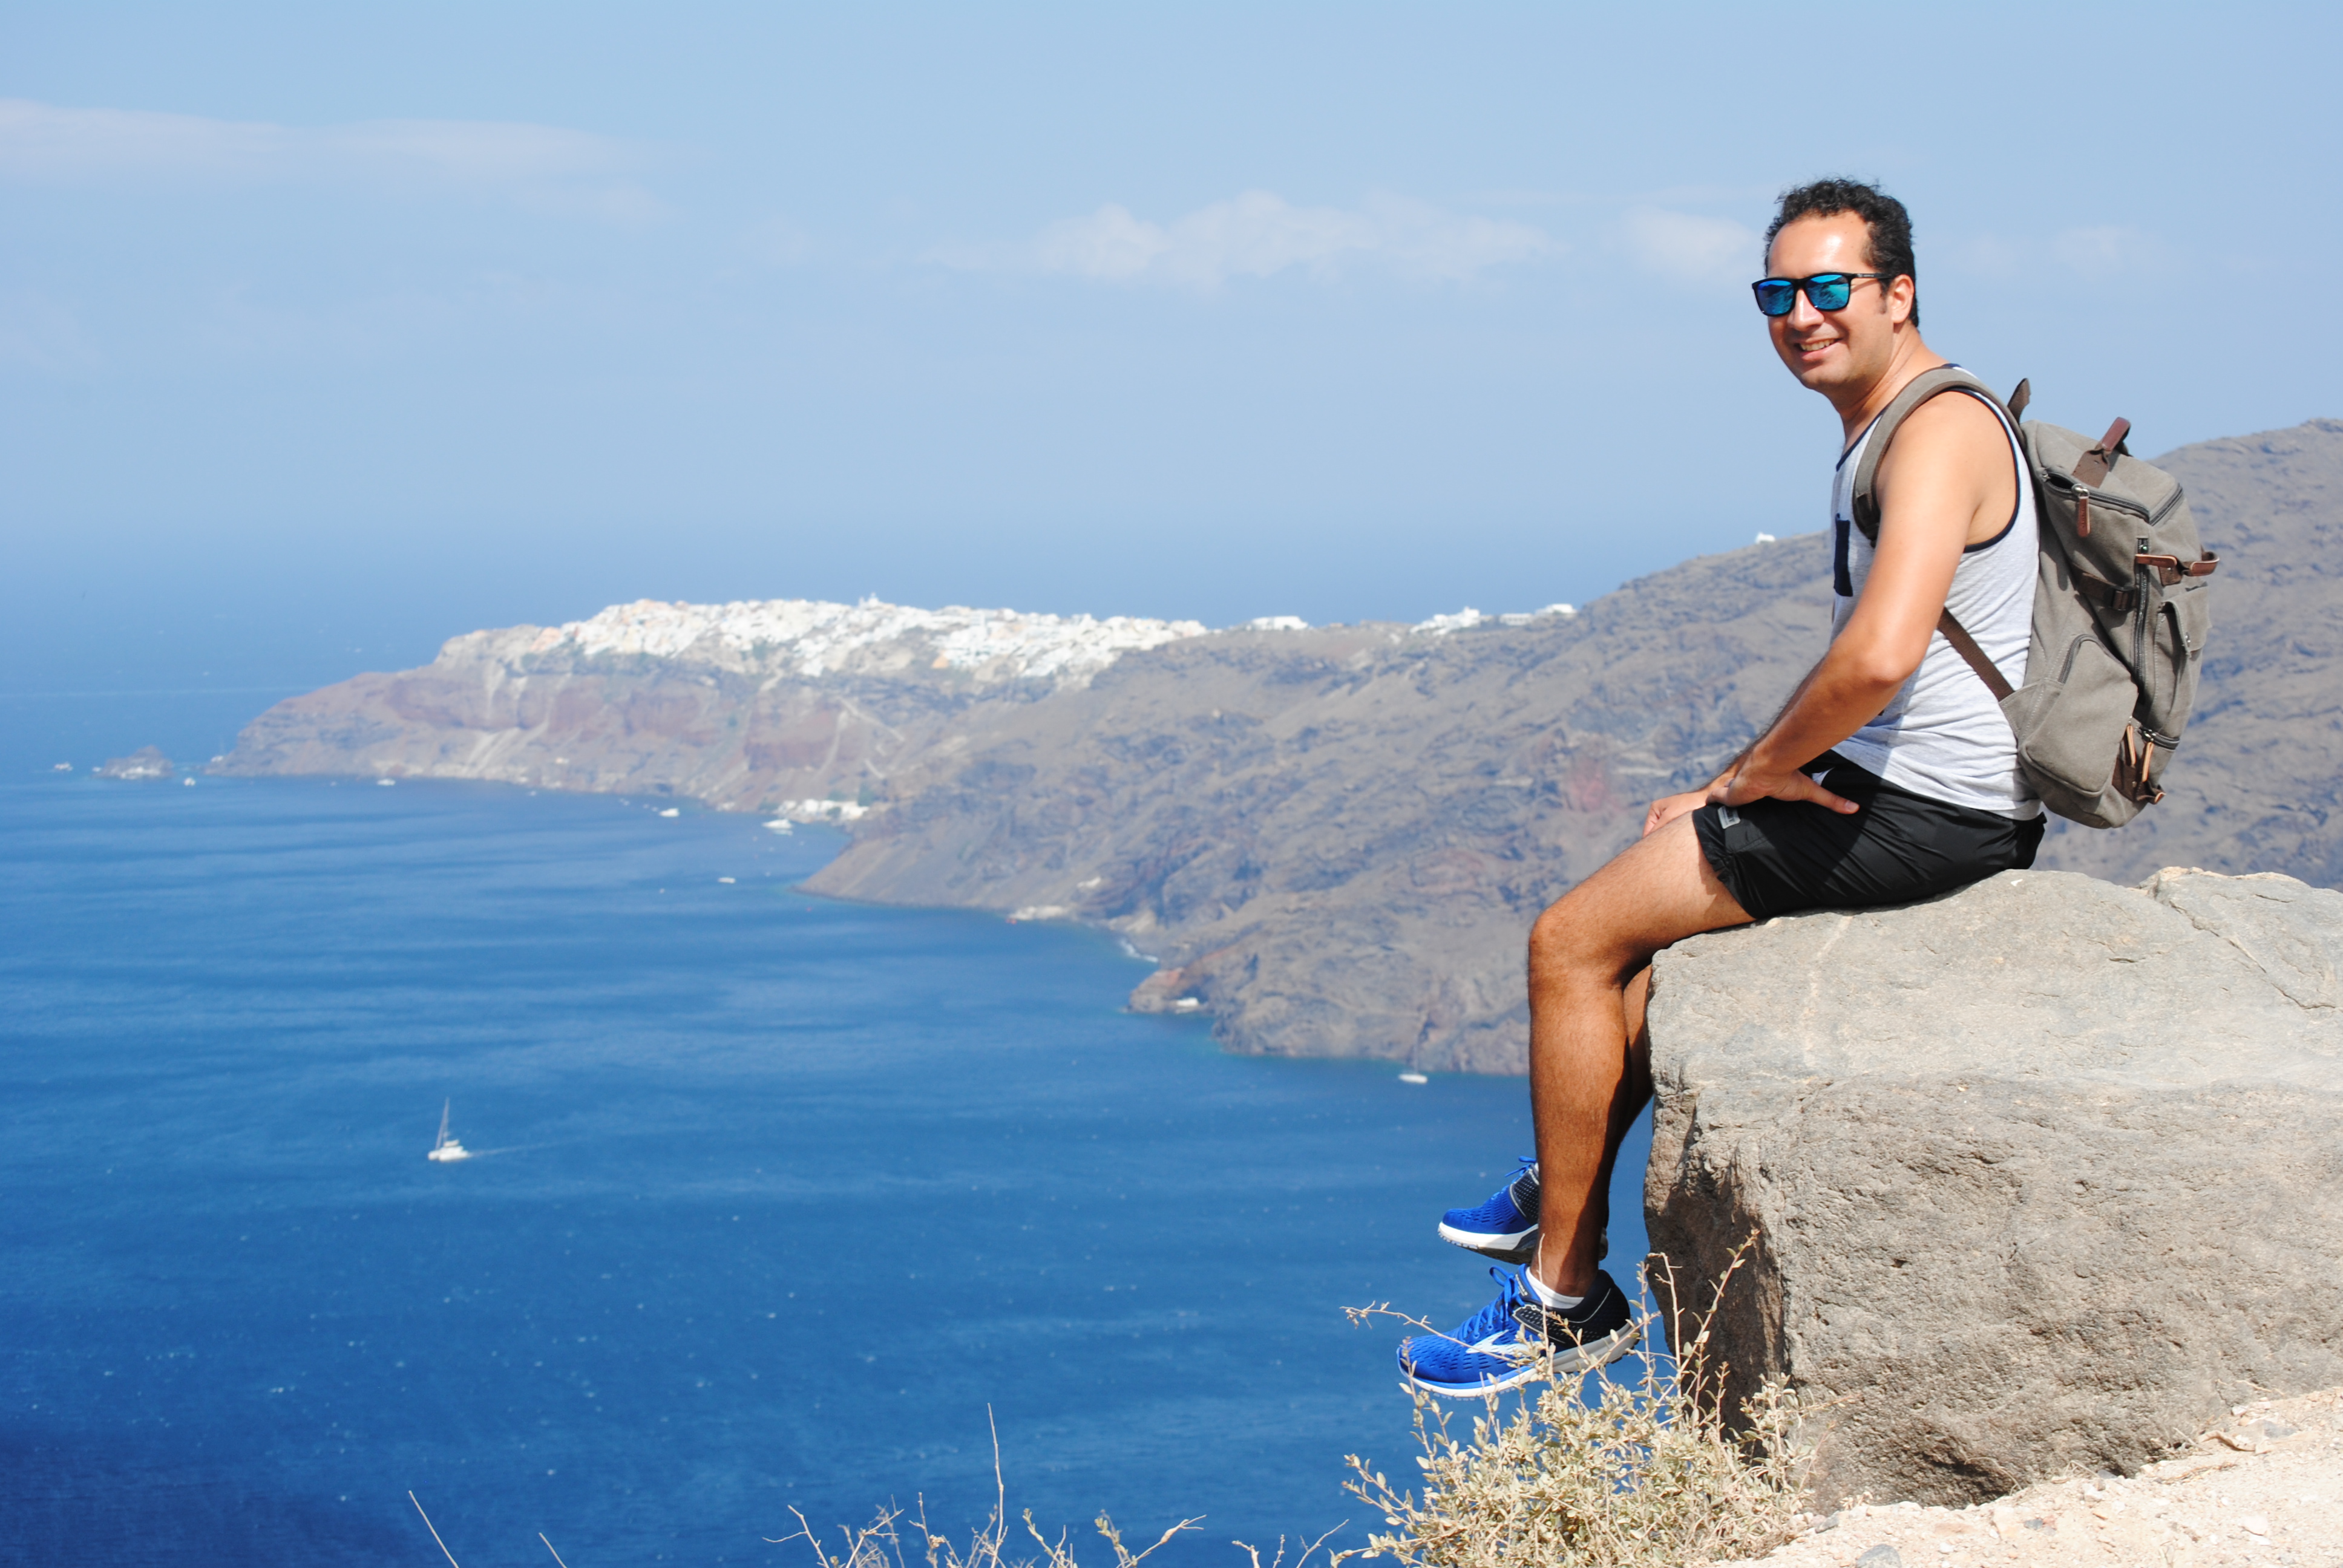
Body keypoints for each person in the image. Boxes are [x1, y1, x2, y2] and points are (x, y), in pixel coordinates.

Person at [1398, 178, 2046, 1396]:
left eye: (1829, 288)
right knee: (1641, 942)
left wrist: (1753, 777)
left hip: (1931, 813)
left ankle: (1562, 1295)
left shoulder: (1937, 430)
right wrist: (1724, 786)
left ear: (1898, 295)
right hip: (1909, 785)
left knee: (1569, 944)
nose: (1800, 314)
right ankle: (1560, 1177)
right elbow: (1875, 664)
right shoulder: (1893, 422)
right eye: (1775, 293)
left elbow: (1880, 655)